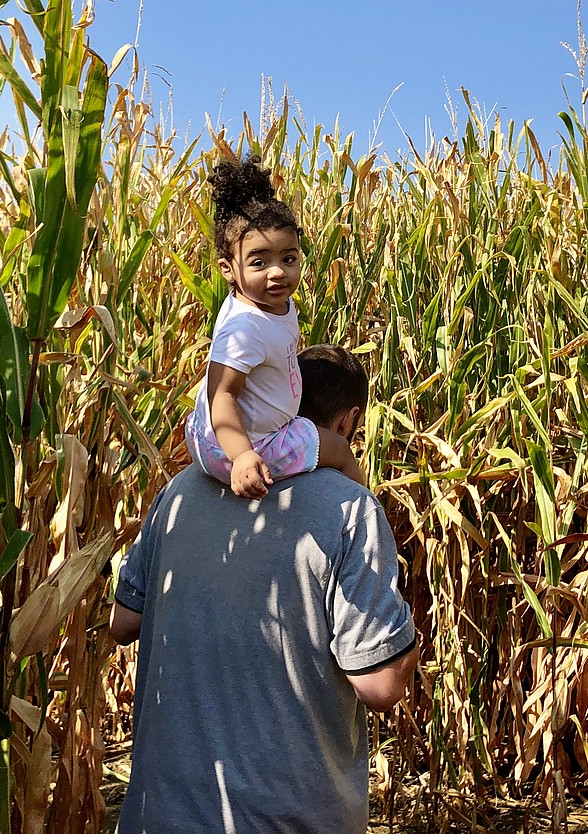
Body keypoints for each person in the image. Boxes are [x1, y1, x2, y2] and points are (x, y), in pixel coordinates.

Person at [110, 344, 418, 834]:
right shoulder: (350, 511)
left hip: (158, 817)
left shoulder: (181, 490)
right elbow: (380, 685)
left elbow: (123, 622)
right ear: (348, 422)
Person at [185, 156, 363, 499]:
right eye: (259, 261)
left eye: (288, 258)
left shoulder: (265, 302)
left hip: (225, 434)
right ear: (228, 269)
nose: (277, 272)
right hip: (239, 446)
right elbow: (221, 393)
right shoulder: (246, 327)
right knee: (340, 450)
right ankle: (368, 517)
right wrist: (242, 457)